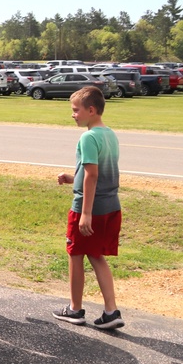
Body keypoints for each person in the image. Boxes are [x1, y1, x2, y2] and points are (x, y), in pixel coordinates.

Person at [52, 86, 125, 330]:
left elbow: (92, 175)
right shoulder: (110, 134)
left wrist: (85, 213)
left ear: (90, 110)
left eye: (76, 110)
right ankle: (111, 311)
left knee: (75, 255)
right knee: (96, 255)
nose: (73, 114)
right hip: (110, 205)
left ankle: (74, 309)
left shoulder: (88, 137)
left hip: (89, 207)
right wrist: (72, 177)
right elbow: (95, 173)